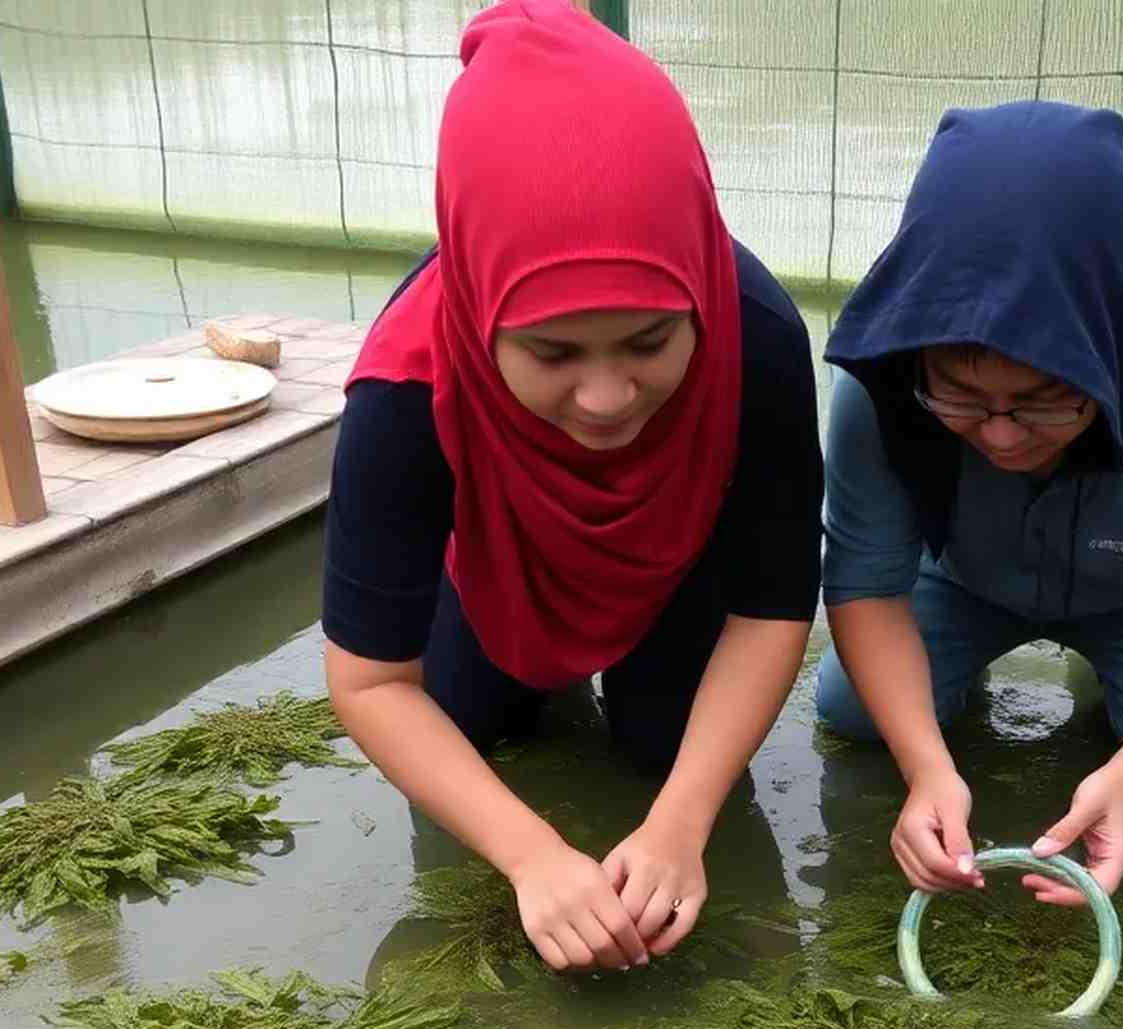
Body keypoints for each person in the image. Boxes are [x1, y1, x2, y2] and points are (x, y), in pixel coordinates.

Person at [322, 0, 822, 973]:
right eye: (552, 351)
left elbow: (771, 607)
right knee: (472, 728)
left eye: (649, 342)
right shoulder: (404, 386)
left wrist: (680, 826)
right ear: (477, 307)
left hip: (678, 565)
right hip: (499, 572)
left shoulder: (754, 334)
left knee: (663, 747)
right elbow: (372, 680)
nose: (604, 397)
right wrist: (532, 856)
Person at [816, 102, 1123, 904]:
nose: (1004, 439)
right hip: (963, 570)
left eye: (1047, 400)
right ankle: (960, 681)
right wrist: (926, 768)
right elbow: (866, 584)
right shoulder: (882, 375)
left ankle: (1121, 690)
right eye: (965, 399)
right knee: (856, 712)